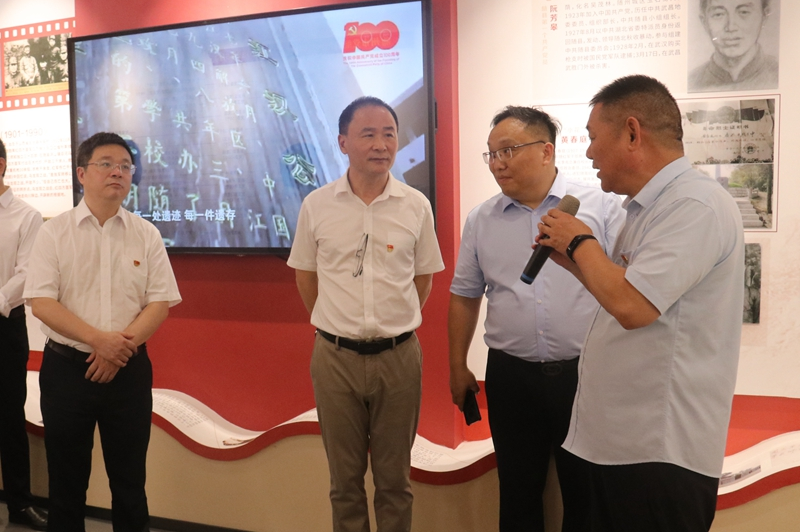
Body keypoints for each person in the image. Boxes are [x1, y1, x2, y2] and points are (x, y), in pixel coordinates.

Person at [536, 75, 744, 531]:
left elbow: (634, 307)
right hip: (615, 446)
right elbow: (627, 294)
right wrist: (575, 262)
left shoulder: (695, 205)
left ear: (632, 132)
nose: (588, 153)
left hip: (656, 453)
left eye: (593, 137)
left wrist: (580, 242)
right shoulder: (649, 207)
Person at [448, 107, 624, 532]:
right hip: (511, 377)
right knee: (518, 491)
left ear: (547, 151)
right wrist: (457, 365)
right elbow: (465, 295)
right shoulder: (481, 219)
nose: (498, 163)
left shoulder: (599, 207)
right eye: (491, 154)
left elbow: (627, 286)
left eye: (508, 150)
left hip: (585, 374)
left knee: (585, 493)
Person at [287, 96, 444, 532]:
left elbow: (423, 278)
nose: (381, 144)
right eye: (368, 134)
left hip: (399, 358)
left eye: (389, 134)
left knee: (395, 482)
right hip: (335, 359)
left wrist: (394, 322)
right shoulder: (317, 205)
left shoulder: (416, 205)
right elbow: (306, 277)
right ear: (343, 143)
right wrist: (336, 323)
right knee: (344, 484)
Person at [24, 132, 181, 531]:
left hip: (128, 373)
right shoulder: (54, 232)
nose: (118, 172)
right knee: (66, 485)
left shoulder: (146, 234)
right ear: (82, 173)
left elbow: (159, 303)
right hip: (67, 373)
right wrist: (99, 341)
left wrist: (117, 351)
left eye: (126, 166)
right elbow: (42, 302)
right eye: (107, 164)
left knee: (130, 485)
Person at [0, 138, 48, 530]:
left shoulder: (26, 216)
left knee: (8, 417)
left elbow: (27, 273)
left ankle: (18, 504)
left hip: (4, 326)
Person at [688, 0, 778, 92]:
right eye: (718, 14)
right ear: (704, 22)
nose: (731, 27)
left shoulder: (781, 75)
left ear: (764, 17)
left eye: (744, 12)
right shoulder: (691, 83)